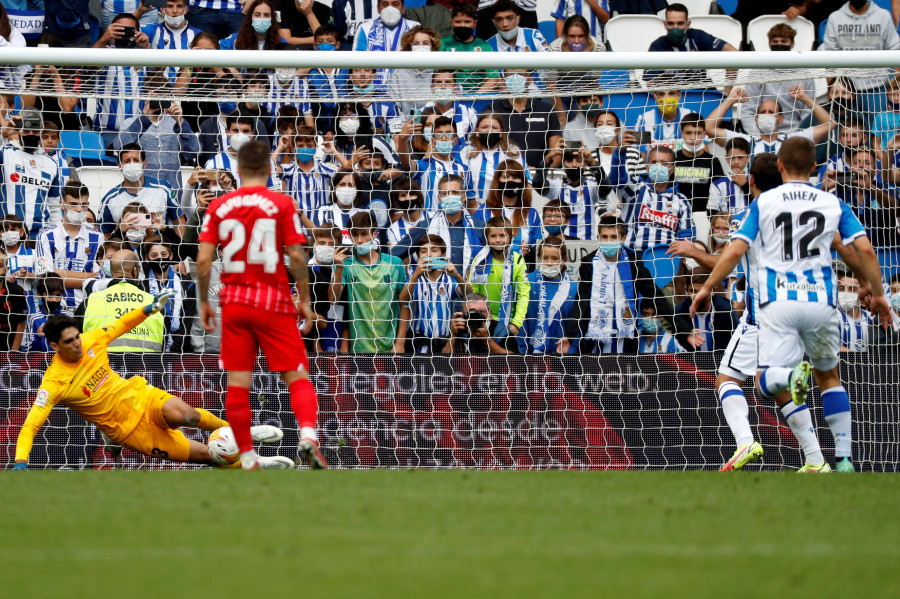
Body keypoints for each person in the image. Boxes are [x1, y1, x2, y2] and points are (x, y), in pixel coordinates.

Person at [691, 136, 892, 473]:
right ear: (814, 167)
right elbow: (853, 249)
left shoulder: (755, 211)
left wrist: (706, 284)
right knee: (823, 379)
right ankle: (827, 460)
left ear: (755, 180)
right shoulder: (827, 203)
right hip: (820, 303)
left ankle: (745, 442)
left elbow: (733, 254)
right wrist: (873, 287)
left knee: (741, 379)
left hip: (769, 310)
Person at [13, 303, 292, 470]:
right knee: (210, 455)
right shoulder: (54, 382)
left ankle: (244, 433)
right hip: (131, 431)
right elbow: (31, 425)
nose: (77, 344)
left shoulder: (91, 340)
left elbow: (121, 324)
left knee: (189, 416)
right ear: (53, 346)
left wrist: (149, 309)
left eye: (77, 337)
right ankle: (256, 463)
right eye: (69, 342)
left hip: (141, 396)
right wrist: (21, 462)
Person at [197, 139, 327, 470]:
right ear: (269, 170)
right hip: (273, 301)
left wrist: (203, 301)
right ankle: (309, 437)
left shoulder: (219, 206)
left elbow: (203, 259)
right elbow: (297, 255)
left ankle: (248, 458)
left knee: (239, 383)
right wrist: (305, 300)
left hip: (235, 303)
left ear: (238, 170)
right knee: (297, 376)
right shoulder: (281, 203)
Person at [572, 215, 680, 353]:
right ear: (598, 237)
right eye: (604, 237)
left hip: (625, 338)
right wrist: (569, 337)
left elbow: (656, 296)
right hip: (595, 338)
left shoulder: (633, 263)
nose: (609, 241)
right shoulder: (589, 262)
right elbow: (581, 302)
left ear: (623, 239)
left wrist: (685, 330)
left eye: (614, 237)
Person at [328, 211, 407, 354]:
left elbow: (405, 304)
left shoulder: (395, 263)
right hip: (358, 350)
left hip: (390, 348)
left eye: (364, 234)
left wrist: (400, 343)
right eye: (355, 235)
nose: (359, 240)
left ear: (375, 234)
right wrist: (339, 270)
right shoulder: (345, 265)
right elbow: (333, 299)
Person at [389, 174, 486, 274]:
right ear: (439, 199)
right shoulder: (426, 226)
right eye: (445, 193)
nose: (450, 196)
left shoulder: (478, 226)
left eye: (455, 192)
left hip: (471, 286)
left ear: (463, 197)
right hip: (437, 286)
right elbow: (393, 255)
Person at [608, 143, 695, 254]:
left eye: (664, 163)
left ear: (672, 169)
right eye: (654, 162)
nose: (658, 166)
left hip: (665, 257)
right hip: (631, 254)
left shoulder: (681, 200)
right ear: (647, 167)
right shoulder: (635, 188)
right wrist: (620, 153)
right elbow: (617, 179)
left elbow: (687, 234)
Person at [819, 0, 900, 115]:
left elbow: (895, 52)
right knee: (846, 132)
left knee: (877, 131)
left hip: (877, 89)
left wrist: (895, 87)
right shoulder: (835, 18)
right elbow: (830, 59)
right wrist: (833, 90)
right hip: (845, 92)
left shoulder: (883, 16)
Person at [114, 82, 200, 190]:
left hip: (172, 189)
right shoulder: (131, 123)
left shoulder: (176, 122)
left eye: (162, 97)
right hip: (141, 189)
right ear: (145, 98)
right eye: (155, 98)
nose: (158, 102)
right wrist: (144, 120)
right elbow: (118, 146)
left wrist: (180, 121)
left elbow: (194, 151)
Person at [705, 86, 835, 157]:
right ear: (756, 119)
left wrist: (805, 98)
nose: (766, 115)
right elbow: (708, 128)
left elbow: (830, 124)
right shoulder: (745, 142)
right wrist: (730, 100)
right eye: (762, 112)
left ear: (781, 119)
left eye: (771, 112)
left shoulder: (793, 141)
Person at [399, 234, 472, 354]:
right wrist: (416, 275)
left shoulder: (450, 280)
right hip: (417, 346)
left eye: (434, 250)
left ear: (443, 255)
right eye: (423, 251)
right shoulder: (414, 281)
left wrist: (456, 275)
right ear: (418, 257)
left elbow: (468, 293)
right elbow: (403, 300)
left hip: (444, 346)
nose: (429, 255)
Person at [466, 216, 530, 353]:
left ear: (510, 237)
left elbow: (523, 295)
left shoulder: (518, 261)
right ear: (487, 238)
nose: (498, 240)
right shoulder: (480, 261)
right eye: (493, 236)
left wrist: (516, 323)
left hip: (510, 324)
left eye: (502, 235)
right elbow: (473, 294)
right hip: (485, 322)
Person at [739, 25, 817, 134]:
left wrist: (799, 136)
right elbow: (748, 110)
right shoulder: (757, 71)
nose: (779, 44)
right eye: (775, 41)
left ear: (792, 44)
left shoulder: (805, 75)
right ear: (769, 44)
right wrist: (757, 137)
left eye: (784, 41)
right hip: (762, 134)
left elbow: (808, 112)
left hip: (795, 134)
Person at [36, 182, 102, 309]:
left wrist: (60, 273)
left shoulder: (97, 237)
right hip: (55, 309)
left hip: (87, 309)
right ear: (62, 204)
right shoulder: (45, 236)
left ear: (87, 205)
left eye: (83, 205)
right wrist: (89, 277)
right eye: (73, 204)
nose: (78, 209)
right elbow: (46, 279)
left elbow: (100, 278)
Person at [0, 108, 64, 238]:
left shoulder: (51, 164)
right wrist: (3, 133)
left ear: (41, 130)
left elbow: (54, 207)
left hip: (39, 236)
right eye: (26, 130)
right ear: (19, 130)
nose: (30, 134)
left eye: (35, 131)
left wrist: (56, 236)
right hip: (6, 233)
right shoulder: (5, 154)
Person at [99, 144, 183, 237]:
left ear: (144, 164)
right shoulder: (110, 199)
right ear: (120, 166)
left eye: (136, 160)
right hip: (125, 249)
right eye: (127, 161)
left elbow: (179, 219)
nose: (132, 164)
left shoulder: (162, 188)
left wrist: (179, 248)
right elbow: (104, 232)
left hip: (158, 247)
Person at [397, 115, 477, 212]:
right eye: (439, 134)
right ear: (433, 140)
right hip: (430, 225)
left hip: (456, 225)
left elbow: (471, 205)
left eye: (448, 134)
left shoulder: (464, 170)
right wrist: (402, 139)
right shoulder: (425, 166)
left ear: (455, 140)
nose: (444, 138)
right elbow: (406, 164)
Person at [489, 69, 562, 170]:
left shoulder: (546, 110)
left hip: (540, 178)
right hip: (504, 177)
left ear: (530, 79)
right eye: (510, 75)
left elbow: (557, 153)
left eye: (520, 74)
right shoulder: (492, 110)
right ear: (504, 80)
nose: (515, 78)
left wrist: (540, 174)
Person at [517, 236, 578, 354]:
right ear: (539, 258)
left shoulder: (573, 287)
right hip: (531, 351)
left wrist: (572, 349)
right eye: (545, 258)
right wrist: (522, 350)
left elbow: (576, 323)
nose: (549, 263)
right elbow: (521, 318)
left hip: (561, 352)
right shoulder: (527, 281)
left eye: (555, 258)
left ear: (563, 259)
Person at [538, 145, 611, 241]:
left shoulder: (591, 186)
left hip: (587, 246)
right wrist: (547, 159)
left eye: (579, 161)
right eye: (569, 161)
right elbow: (538, 183)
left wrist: (592, 162)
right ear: (563, 164)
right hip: (562, 245)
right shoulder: (556, 186)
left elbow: (606, 187)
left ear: (585, 165)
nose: (574, 165)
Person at [278, 124, 338, 229]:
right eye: (300, 146)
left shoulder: (324, 168)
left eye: (309, 146)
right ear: (293, 148)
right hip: (295, 228)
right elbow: (267, 169)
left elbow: (348, 170)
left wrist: (334, 152)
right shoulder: (288, 170)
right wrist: (280, 147)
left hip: (320, 230)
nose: (305, 149)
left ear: (316, 147)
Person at [460, 111, 526, 205]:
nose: (489, 131)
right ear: (477, 131)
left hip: (505, 207)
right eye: (484, 127)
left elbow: (526, 181)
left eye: (494, 128)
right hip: (472, 207)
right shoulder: (465, 151)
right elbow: (459, 180)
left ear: (501, 132)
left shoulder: (513, 152)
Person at [439, 3, 499, 95]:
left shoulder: (484, 46)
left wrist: (475, 96)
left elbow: (493, 77)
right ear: (451, 23)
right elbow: (437, 76)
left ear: (475, 23)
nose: (462, 25)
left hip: (477, 96)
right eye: (458, 22)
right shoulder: (443, 43)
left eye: (467, 22)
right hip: (449, 96)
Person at [306, 223, 347, 353]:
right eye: (322, 243)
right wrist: (315, 345)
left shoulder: (344, 272)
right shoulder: (307, 272)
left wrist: (345, 348)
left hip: (337, 337)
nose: (326, 248)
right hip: (314, 345)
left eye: (331, 244)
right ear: (314, 245)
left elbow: (347, 311)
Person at [648, 3, 738, 53]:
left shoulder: (697, 36)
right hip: (672, 87)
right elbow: (651, 83)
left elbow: (732, 52)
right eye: (671, 23)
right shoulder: (657, 46)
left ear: (688, 24)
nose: (675, 28)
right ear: (665, 24)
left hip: (703, 87)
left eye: (680, 23)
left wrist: (726, 87)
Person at [22, 273, 69, 352]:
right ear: (40, 295)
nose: (54, 300)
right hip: (42, 362)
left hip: (64, 361)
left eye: (58, 296)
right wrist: (37, 336)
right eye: (50, 296)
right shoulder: (34, 318)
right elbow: (27, 350)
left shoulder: (69, 316)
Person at [354, 0, 420, 52]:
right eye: (385, 4)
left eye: (395, 4)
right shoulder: (365, 29)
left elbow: (420, 60)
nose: (390, 8)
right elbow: (358, 61)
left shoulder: (415, 28)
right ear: (378, 8)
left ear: (403, 8)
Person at [708, 137, 751, 215]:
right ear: (726, 158)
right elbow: (711, 211)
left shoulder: (756, 180)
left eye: (740, 157)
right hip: (727, 226)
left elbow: (761, 206)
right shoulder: (717, 184)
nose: (736, 162)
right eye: (732, 158)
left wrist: (745, 186)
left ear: (748, 158)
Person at [219, 0, 285, 51]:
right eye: (257, 15)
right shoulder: (234, 40)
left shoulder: (282, 43)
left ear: (272, 19)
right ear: (250, 18)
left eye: (266, 15)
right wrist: (228, 67)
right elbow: (214, 50)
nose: (262, 18)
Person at [837, 267, 872, 353]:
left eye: (852, 289)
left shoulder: (872, 319)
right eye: (841, 289)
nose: (846, 293)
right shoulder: (829, 316)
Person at [0, 247, 26, 350]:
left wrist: (13, 352)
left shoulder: (16, 291)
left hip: (8, 348)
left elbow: (21, 322)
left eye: (0, 266)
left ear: (7, 269)